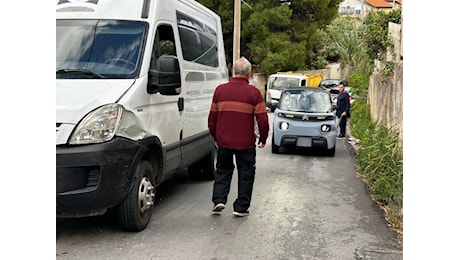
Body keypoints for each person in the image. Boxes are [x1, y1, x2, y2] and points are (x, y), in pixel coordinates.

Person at [208, 57, 269, 217]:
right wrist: (263, 138)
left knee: (223, 170)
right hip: (246, 143)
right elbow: (262, 119)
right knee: (246, 173)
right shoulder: (254, 93)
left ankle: (219, 200)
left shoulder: (219, 91)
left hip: (224, 141)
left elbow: (212, 118)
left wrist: (215, 136)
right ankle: (241, 207)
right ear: (248, 73)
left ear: (233, 71)